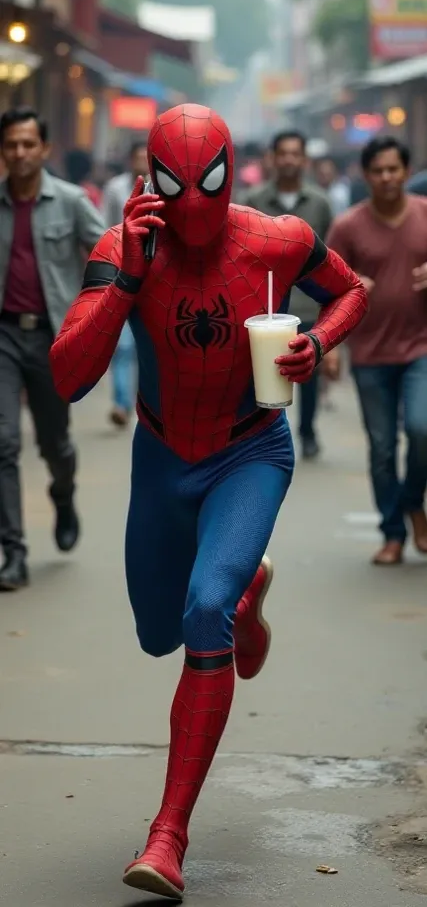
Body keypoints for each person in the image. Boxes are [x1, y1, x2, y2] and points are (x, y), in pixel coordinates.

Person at [50, 103, 366, 899]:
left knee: (200, 615)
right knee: (159, 631)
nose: (192, 204)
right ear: (149, 180)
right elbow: (67, 376)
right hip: (161, 456)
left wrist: (316, 343)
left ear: (231, 174)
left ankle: (168, 835)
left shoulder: (279, 239)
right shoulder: (127, 246)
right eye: (174, 186)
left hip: (249, 448)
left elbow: (349, 292)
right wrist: (126, 274)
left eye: (209, 184)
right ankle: (245, 597)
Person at [0, 106, 105, 591]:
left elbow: (110, 251)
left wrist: (99, 311)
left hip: (51, 338)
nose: (19, 153)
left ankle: (63, 493)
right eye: (11, 145)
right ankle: (14, 553)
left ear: (43, 149)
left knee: (53, 443)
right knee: (3, 444)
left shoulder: (70, 200)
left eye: (27, 144)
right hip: (3, 337)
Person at [326, 135, 427, 566]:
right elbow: (326, 285)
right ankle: (392, 533)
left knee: (423, 429)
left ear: (406, 171)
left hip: (421, 346)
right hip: (369, 353)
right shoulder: (348, 226)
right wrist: (329, 343)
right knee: (382, 447)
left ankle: (410, 503)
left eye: (394, 169)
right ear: (366, 176)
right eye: (378, 170)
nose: (387, 177)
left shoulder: (425, 215)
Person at [242, 130, 333, 459]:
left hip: (309, 305)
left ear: (304, 159)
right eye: (283, 153)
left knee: (308, 370)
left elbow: (330, 259)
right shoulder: (252, 200)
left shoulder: (320, 203)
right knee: (264, 371)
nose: (289, 159)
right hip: (264, 306)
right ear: (273, 158)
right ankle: (262, 433)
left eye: (296, 153)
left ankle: (307, 429)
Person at [103, 142, 149, 427]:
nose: (142, 162)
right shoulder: (114, 189)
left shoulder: (164, 190)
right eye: (138, 158)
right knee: (122, 346)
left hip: (155, 279)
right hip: (120, 274)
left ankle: (145, 403)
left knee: (146, 345)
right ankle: (121, 403)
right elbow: (103, 228)